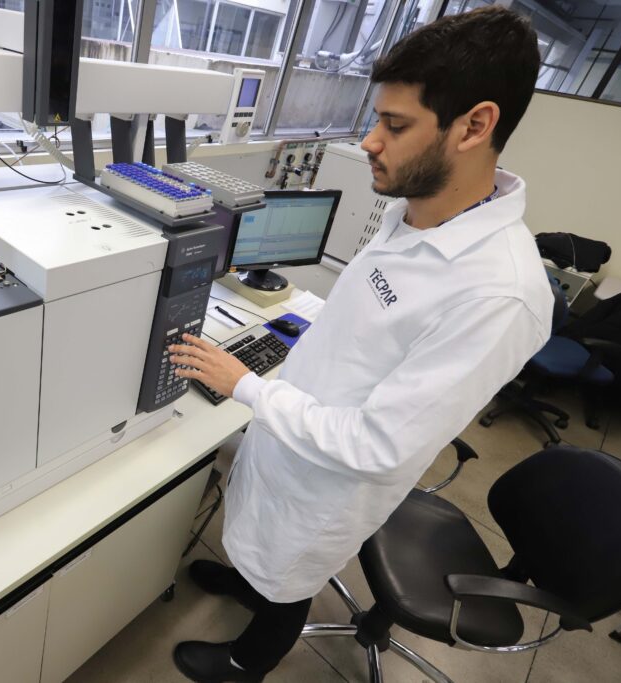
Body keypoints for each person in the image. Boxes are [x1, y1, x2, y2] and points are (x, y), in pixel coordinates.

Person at [167, 6, 553, 681]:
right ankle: (247, 582)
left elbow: (378, 446)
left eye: (395, 126)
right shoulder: (414, 213)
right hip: (294, 429)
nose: (371, 141)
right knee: (258, 545)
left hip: (328, 482)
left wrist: (247, 385)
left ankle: (243, 662)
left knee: (288, 576)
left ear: (475, 125)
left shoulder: (499, 294)